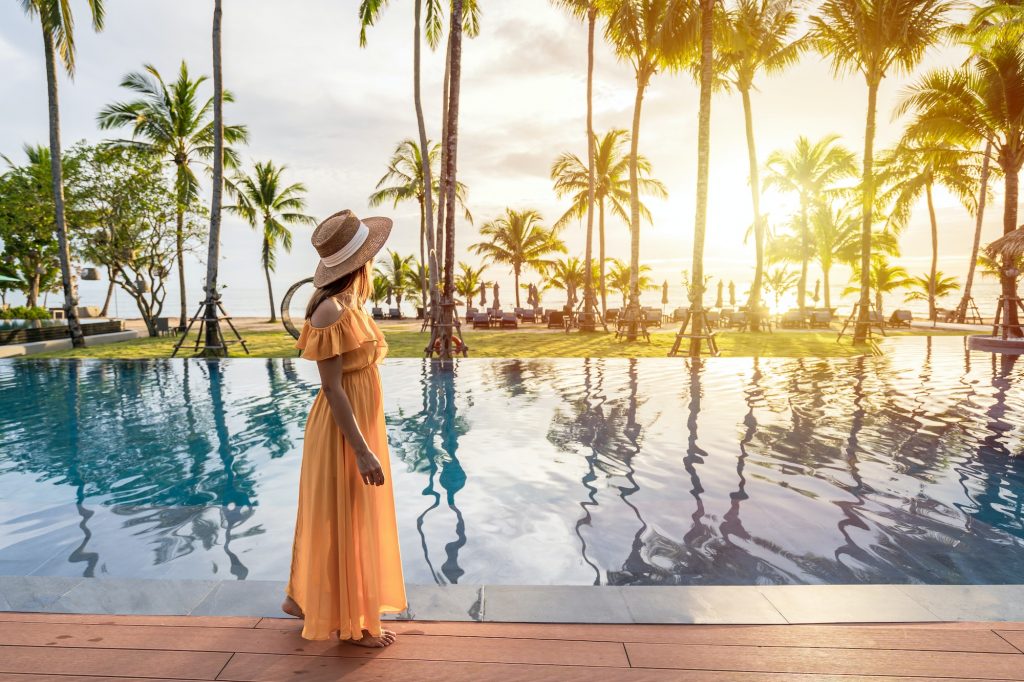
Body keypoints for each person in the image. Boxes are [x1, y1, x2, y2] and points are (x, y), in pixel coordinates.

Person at [282, 209, 407, 647]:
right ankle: (353, 625)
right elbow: (333, 389)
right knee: (345, 518)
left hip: (357, 423)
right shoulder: (330, 310)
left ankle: (306, 601)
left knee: (346, 516)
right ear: (358, 262)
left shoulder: (350, 304)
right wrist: (362, 451)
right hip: (342, 430)